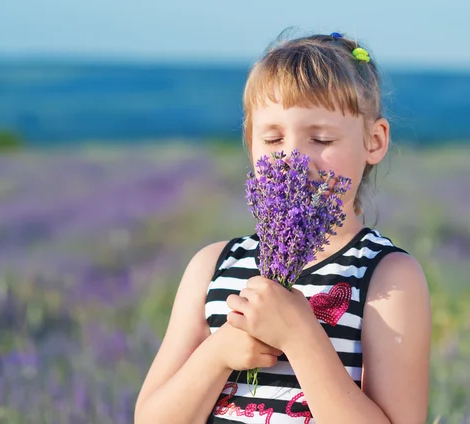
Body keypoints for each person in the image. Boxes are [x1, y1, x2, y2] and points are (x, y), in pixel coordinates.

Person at [134, 31, 431, 424]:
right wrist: (217, 353)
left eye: (321, 138)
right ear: (250, 144)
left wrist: (300, 337)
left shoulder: (385, 277)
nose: (293, 158)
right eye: (273, 138)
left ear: (374, 141)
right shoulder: (212, 267)